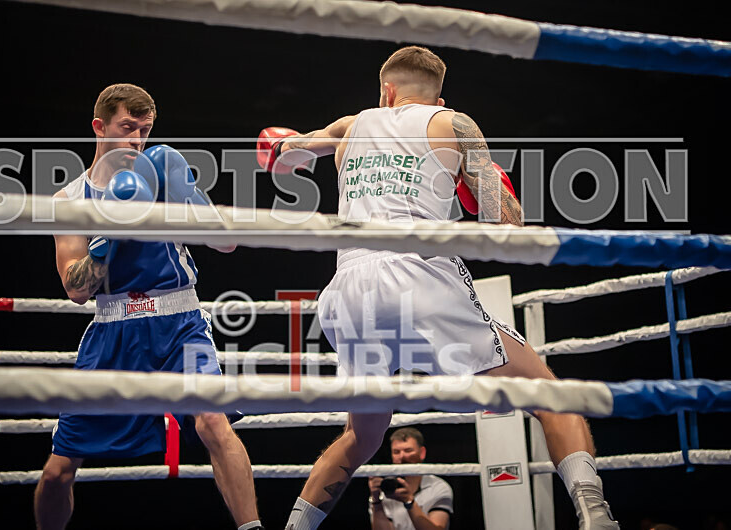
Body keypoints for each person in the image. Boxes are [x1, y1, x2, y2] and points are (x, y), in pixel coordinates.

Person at [258, 46, 618, 529]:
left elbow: (289, 149)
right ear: (439, 98)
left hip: (348, 289)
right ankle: (596, 517)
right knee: (553, 398)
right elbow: (506, 227)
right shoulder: (455, 125)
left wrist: (280, 146)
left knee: (362, 435)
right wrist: (491, 187)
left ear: (386, 90)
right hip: (419, 276)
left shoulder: (350, 126)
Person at [34, 83, 263, 530]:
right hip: (114, 329)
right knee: (59, 470)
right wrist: (109, 236)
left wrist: (187, 192)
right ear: (99, 127)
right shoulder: (69, 201)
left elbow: (227, 241)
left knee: (213, 422)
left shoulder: (162, 176)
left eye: (145, 130)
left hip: (180, 321)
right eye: (127, 128)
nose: (137, 140)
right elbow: (76, 289)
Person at [368, 428, 453, 530]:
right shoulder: (386, 487)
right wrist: (376, 500)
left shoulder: (438, 487)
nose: (402, 456)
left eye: (408, 450)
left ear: (422, 453)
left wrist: (409, 501)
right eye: (396, 452)